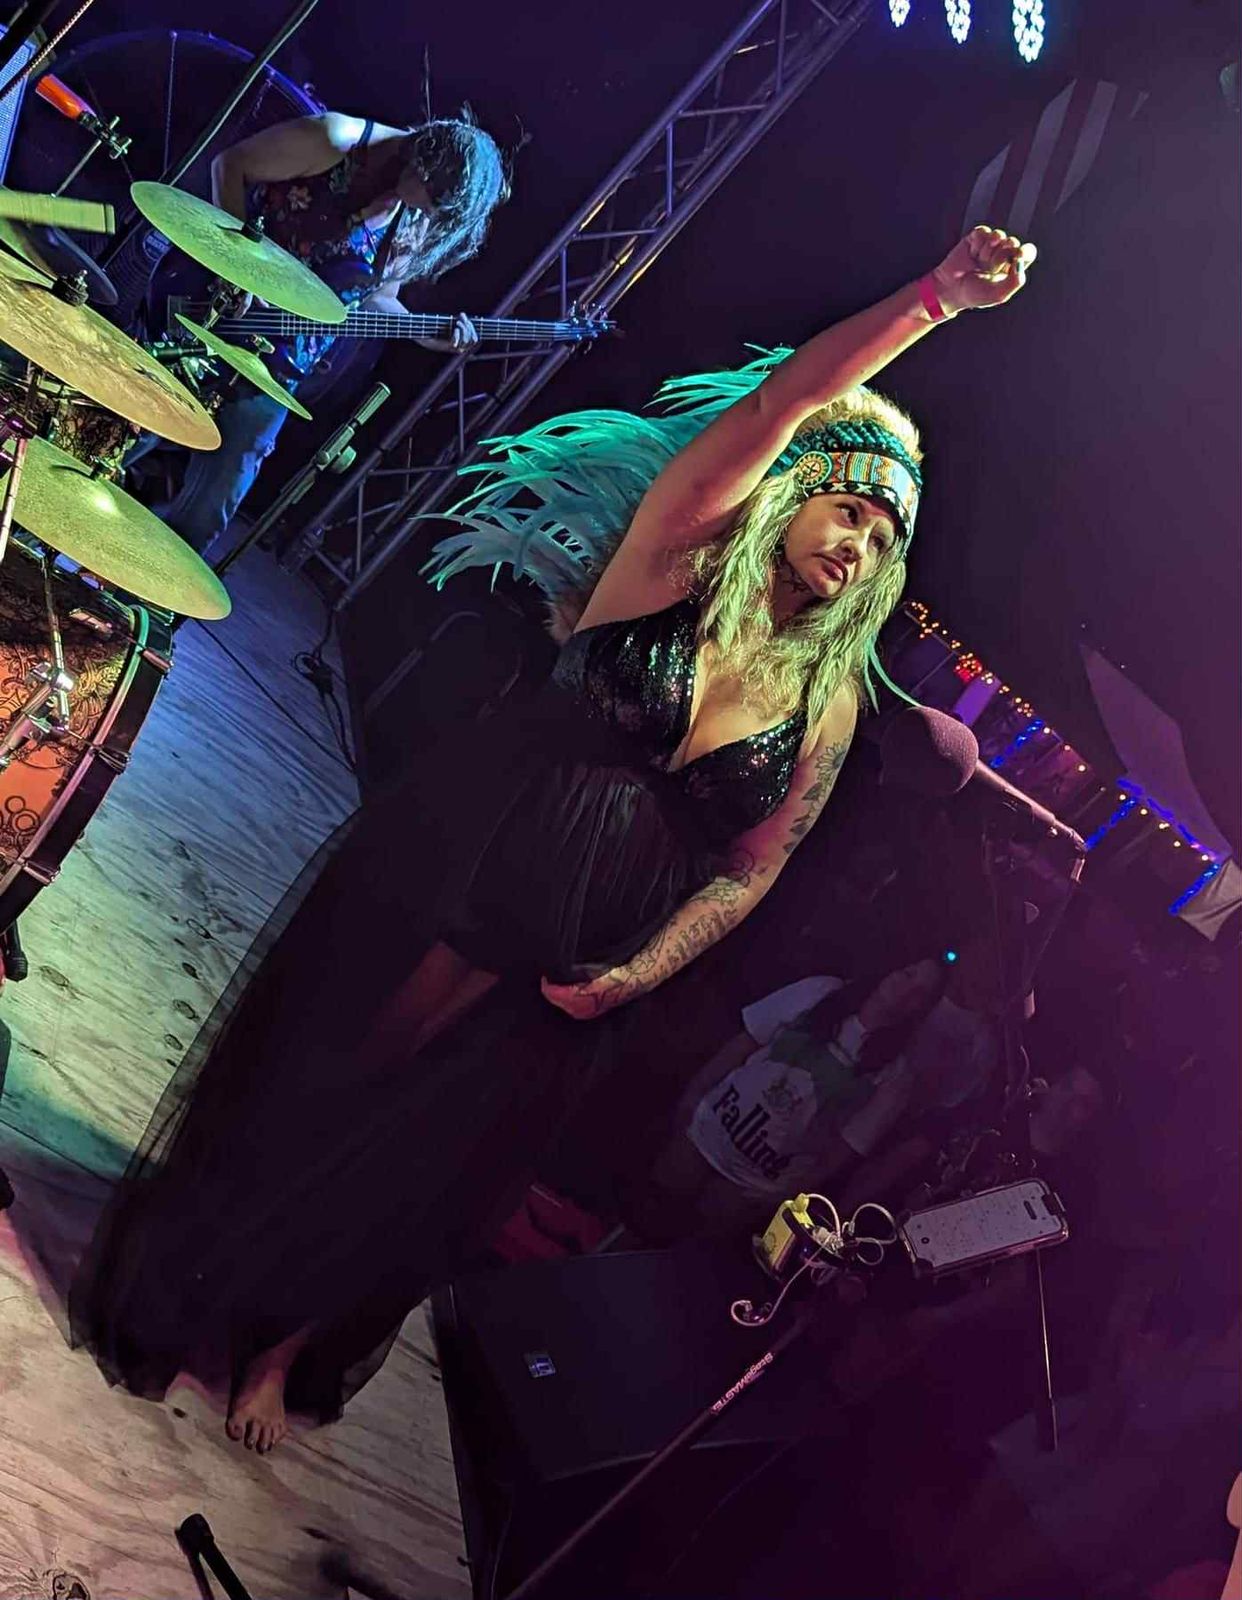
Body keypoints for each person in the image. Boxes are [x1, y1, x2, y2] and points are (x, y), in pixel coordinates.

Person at [71, 223, 1036, 1452]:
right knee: (336, 1080)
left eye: (884, 540)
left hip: (581, 965)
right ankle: (205, 1284)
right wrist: (933, 299)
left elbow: (754, 867)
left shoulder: (829, 702)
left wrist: (635, 973)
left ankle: (283, 1346)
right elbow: (786, 397)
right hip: (464, 873)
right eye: (848, 509)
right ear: (794, 493)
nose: (858, 544)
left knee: (428, 1169)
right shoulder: (675, 558)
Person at [134, 109, 508, 555]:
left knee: (212, 504)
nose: (427, 214)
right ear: (423, 163)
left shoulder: (412, 217)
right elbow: (230, 165)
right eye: (432, 200)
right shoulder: (335, 139)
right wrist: (237, 267)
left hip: (276, 361)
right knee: (130, 423)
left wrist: (422, 333)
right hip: (210, 308)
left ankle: (143, 587)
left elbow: (377, 296)